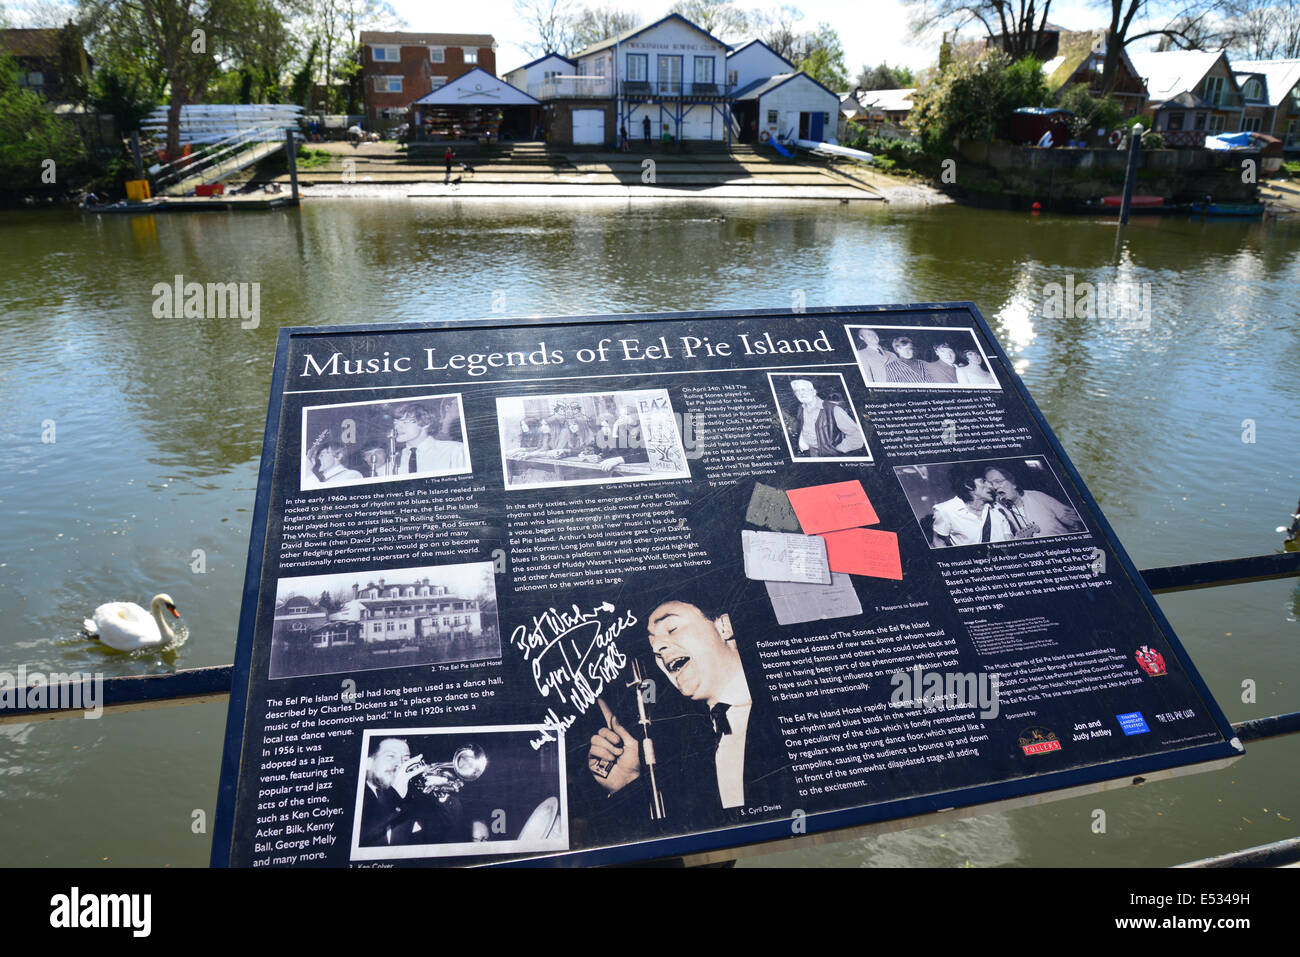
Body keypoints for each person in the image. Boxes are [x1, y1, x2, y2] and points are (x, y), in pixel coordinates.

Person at [587, 599, 791, 814]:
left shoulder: (790, 701)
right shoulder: (687, 754)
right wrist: (627, 783)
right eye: (652, 643)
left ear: (724, 627)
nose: (657, 647)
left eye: (671, 628)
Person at [359, 737, 464, 846]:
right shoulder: (352, 798)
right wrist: (394, 794)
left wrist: (442, 797)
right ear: (368, 763)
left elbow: (450, 838)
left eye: (406, 759)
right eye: (390, 756)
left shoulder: (415, 800)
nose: (400, 764)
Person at [984, 465, 1084, 538]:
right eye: (991, 484)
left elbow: (1076, 523)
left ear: (1012, 483)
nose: (995, 487)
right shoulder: (995, 511)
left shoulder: (1038, 497)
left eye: (998, 482)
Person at [786, 378, 865, 457]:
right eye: (797, 391)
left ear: (814, 392)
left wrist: (838, 449)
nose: (801, 393)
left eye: (803, 389)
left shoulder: (833, 410)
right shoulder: (801, 408)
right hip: (811, 453)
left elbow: (857, 436)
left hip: (827, 456)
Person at [930, 471, 1011, 546]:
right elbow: (938, 542)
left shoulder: (998, 509)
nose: (991, 486)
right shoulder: (945, 510)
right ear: (968, 485)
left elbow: (1008, 538)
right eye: (983, 481)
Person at [390, 402, 467, 475]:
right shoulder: (395, 459)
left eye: (405, 422)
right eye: (395, 423)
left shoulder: (455, 450)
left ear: (426, 423)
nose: (396, 427)